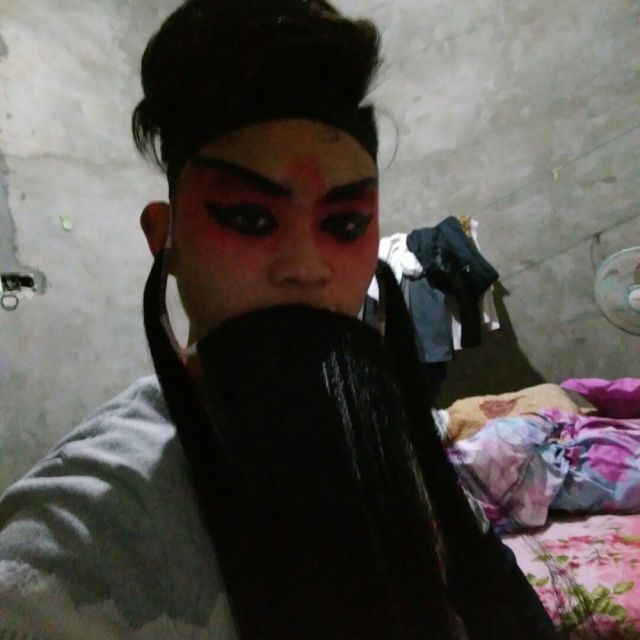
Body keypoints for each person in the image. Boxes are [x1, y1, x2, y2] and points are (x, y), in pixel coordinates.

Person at [0, 1, 560, 638]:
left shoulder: (397, 437)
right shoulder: (83, 536)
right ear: (165, 237)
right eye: (249, 218)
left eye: (344, 224)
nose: (306, 268)